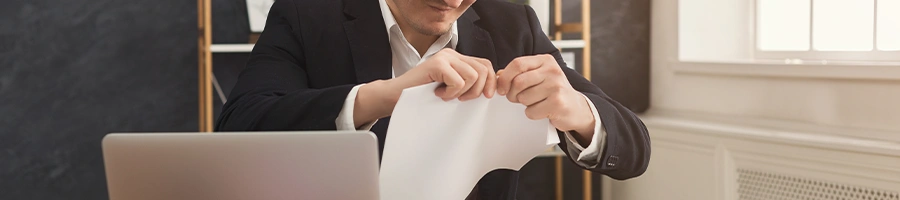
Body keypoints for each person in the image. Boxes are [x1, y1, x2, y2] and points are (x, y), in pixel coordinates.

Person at [216, 0, 650, 199]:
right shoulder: (304, 13)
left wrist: (579, 111)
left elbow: (635, 151)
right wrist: (386, 96)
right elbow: (240, 126)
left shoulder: (510, 21)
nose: (451, 0)